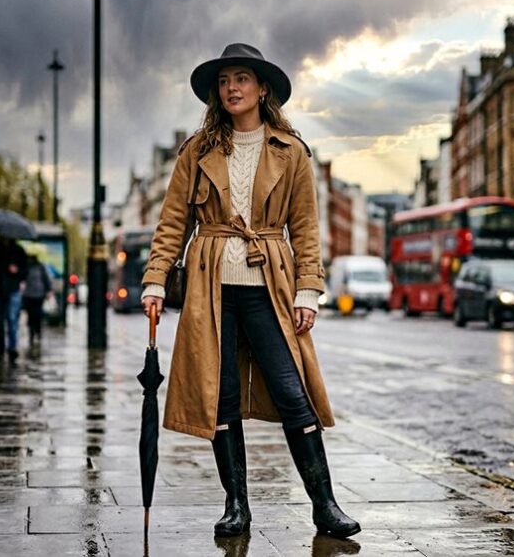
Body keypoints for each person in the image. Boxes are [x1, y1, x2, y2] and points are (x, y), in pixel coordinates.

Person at [140, 44, 359, 539]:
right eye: (224, 81)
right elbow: (172, 221)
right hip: (209, 287)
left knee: (292, 390)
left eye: (242, 78)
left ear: (263, 89)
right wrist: (156, 280)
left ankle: (324, 506)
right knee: (221, 398)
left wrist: (309, 292)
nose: (232, 88)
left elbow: (305, 227)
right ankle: (236, 505)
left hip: (270, 285)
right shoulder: (196, 151)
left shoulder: (292, 151)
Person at [0, 235, 27, 362]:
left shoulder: (18, 250)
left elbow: (25, 271)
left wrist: (16, 271)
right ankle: (1, 348)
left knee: (12, 319)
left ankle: (12, 347)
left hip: (13, 289)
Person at [22, 254, 53, 354]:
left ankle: (37, 332)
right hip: (30, 294)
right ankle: (33, 333)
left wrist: (48, 290)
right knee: (32, 315)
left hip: (37, 295)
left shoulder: (40, 267)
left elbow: (46, 279)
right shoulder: (28, 267)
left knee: (36, 314)